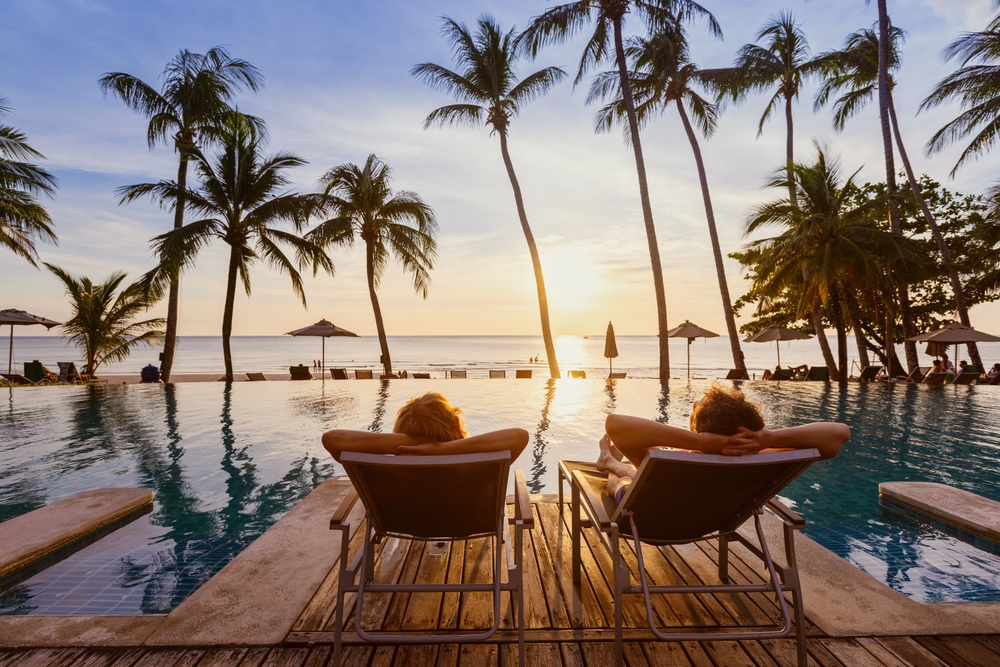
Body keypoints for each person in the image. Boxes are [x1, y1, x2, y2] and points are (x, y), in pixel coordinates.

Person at [594, 384, 850, 504]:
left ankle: (609, 463)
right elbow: (839, 433)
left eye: (692, 412)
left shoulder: (674, 460)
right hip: (719, 520)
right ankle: (612, 462)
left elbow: (616, 425)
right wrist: (768, 438)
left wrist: (698, 443)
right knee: (636, 469)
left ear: (698, 429)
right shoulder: (764, 457)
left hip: (653, 518)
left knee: (627, 476)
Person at [322, 391, 529, 462]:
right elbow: (519, 436)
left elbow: (333, 439)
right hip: (468, 522)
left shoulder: (392, 470)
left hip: (403, 523)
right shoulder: (471, 461)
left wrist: (410, 442)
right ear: (453, 424)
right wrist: (442, 447)